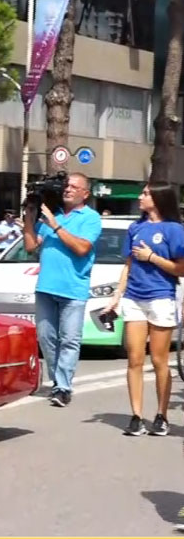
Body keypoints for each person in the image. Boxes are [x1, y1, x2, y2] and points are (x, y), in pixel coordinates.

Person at [106, 182, 184, 435]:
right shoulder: (135, 228)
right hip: (134, 299)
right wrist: (117, 295)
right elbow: (128, 265)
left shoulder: (174, 229)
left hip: (161, 298)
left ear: (159, 198)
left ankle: (161, 415)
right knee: (134, 359)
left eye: (146, 194)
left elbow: (181, 269)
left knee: (160, 360)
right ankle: (136, 416)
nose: (141, 197)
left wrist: (152, 257)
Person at [23, 172, 102, 407]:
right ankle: (58, 382)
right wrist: (29, 218)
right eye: (66, 186)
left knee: (69, 339)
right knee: (46, 338)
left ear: (85, 194)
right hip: (46, 286)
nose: (67, 190)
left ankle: (63, 387)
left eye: (74, 187)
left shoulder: (90, 218)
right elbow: (30, 246)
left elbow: (82, 248)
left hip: (73, 289)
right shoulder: (53, 214)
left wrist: (55, 226)